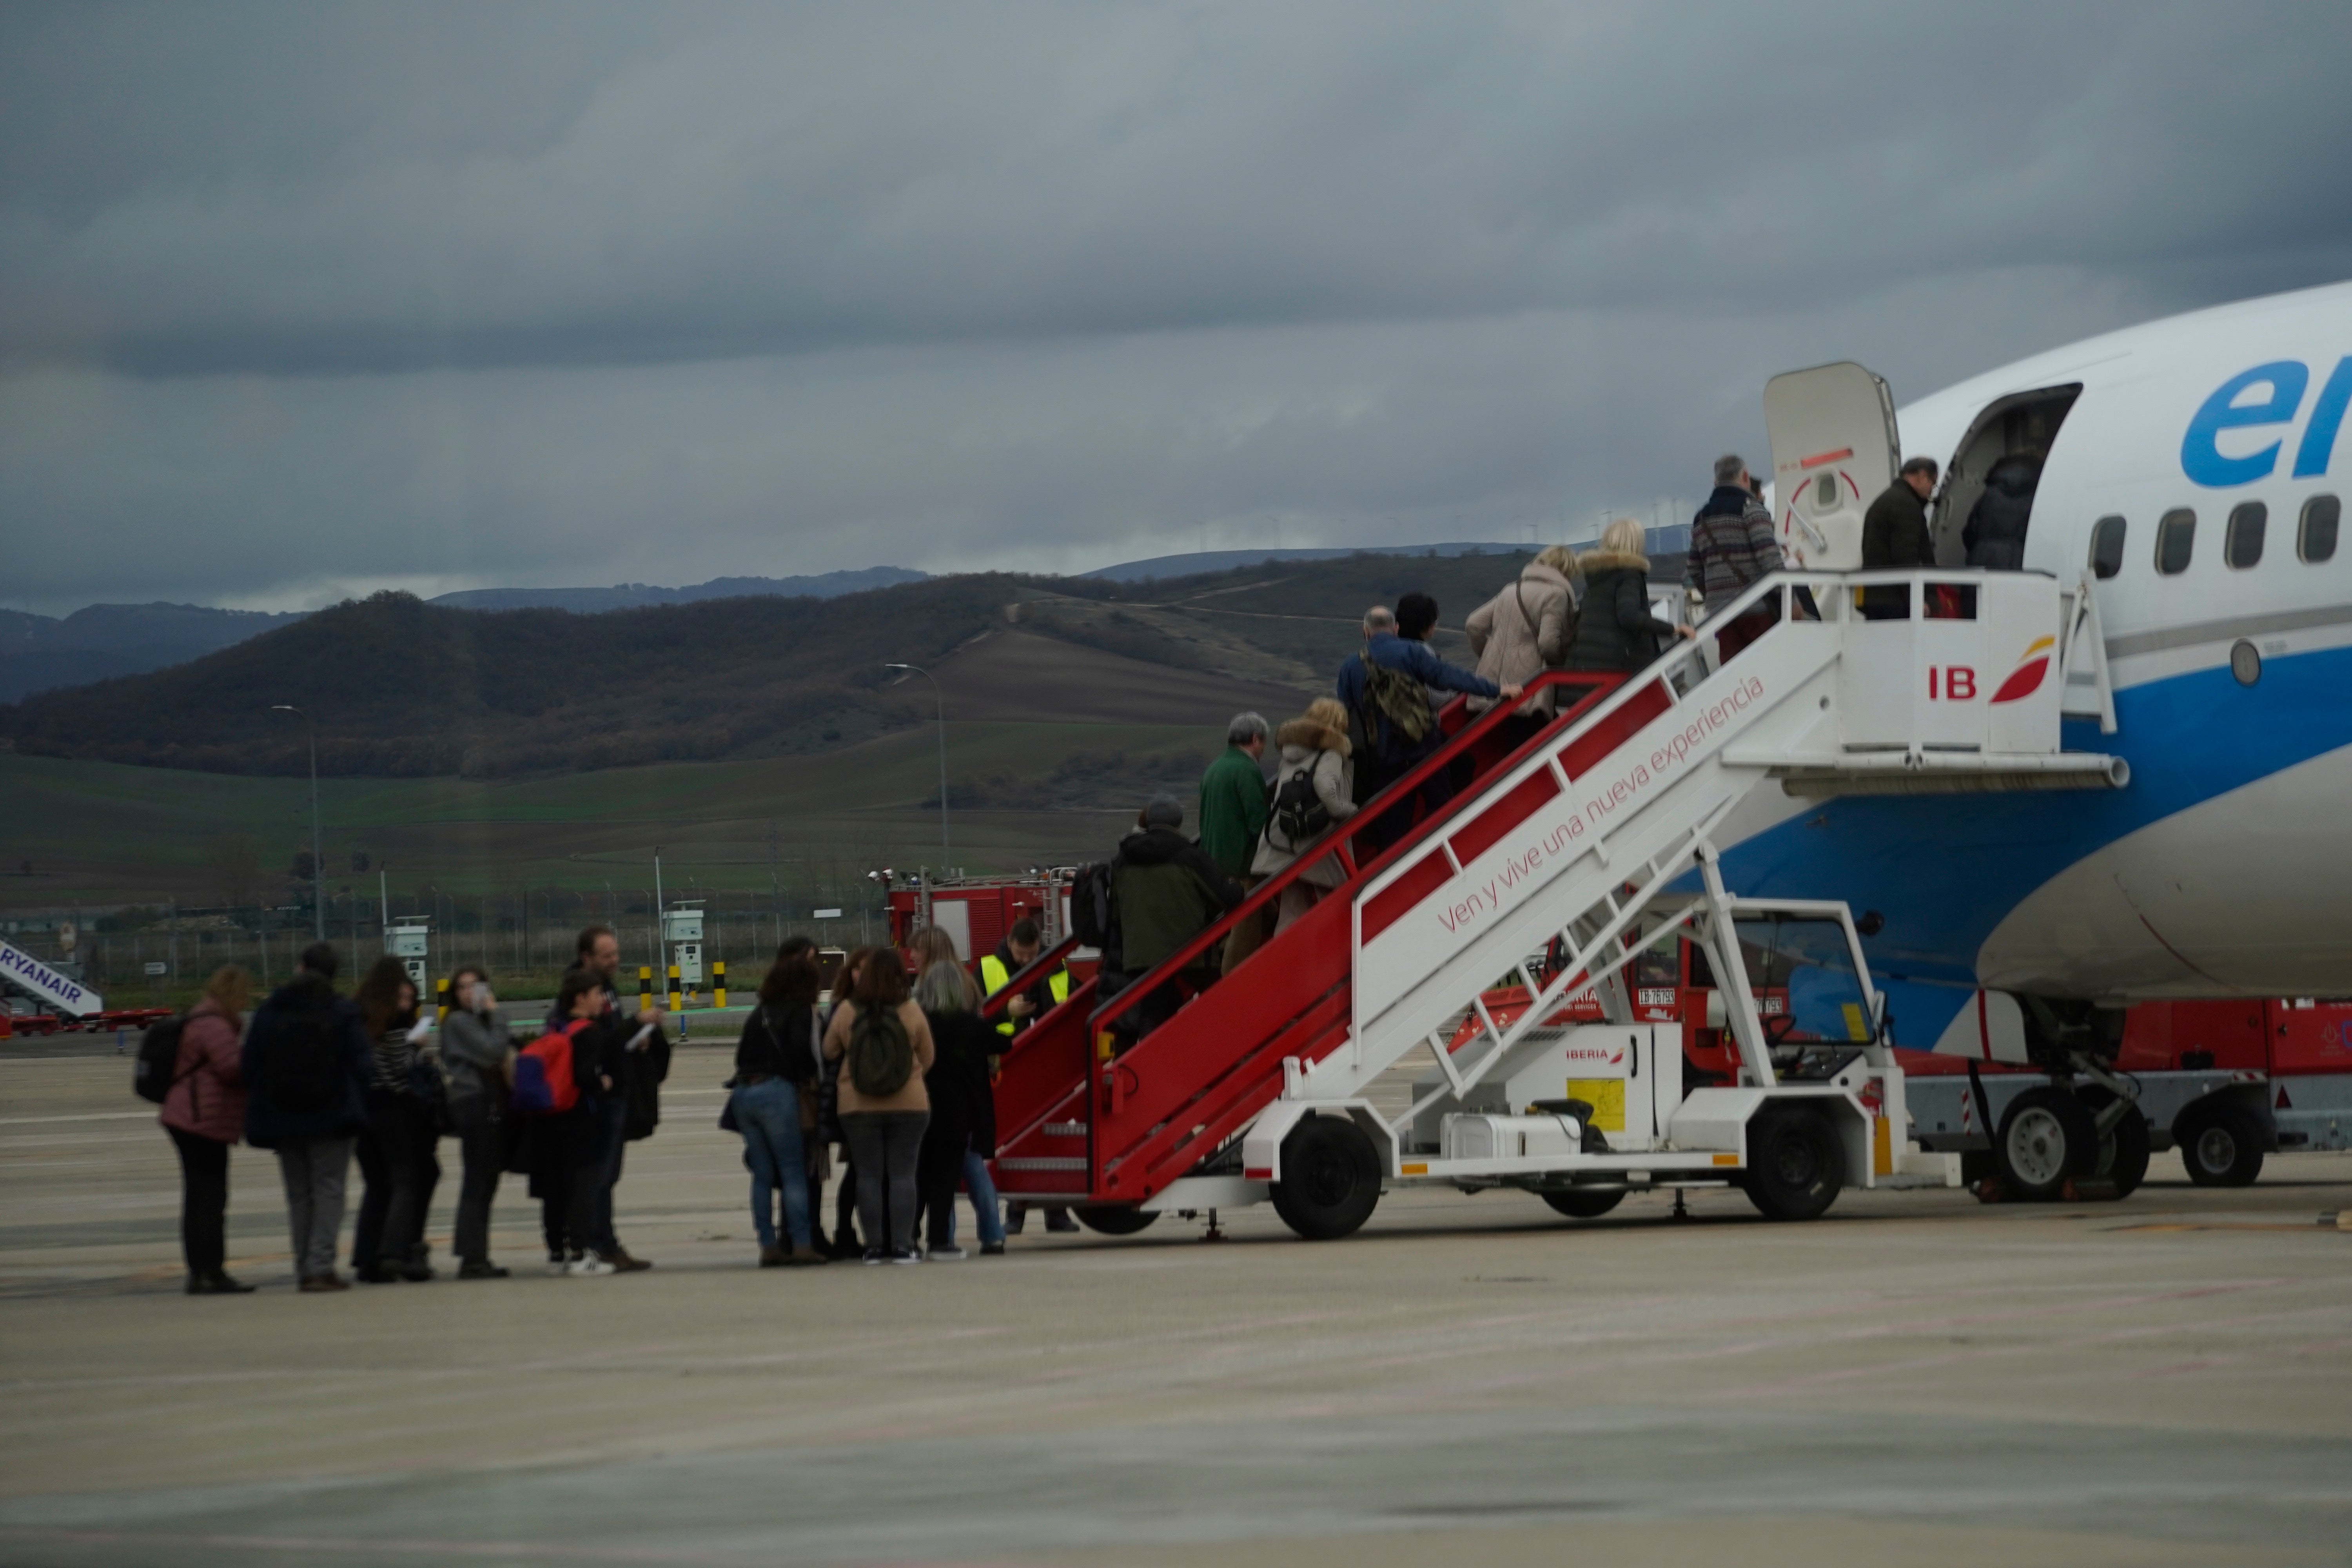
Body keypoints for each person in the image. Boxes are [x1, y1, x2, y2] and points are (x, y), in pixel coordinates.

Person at [1338, 594, 1521, 851]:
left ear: (1365, 632)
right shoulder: (1412, 652)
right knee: (1441, 804)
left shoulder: (1349, 667)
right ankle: (1433, 852)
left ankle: (1397, 875)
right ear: (1396, 629)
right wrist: (1496, 690)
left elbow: (1346, 715)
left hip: (1383, 758)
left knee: (1394, 828)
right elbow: (1449, 678)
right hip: (1423, 745)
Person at [241, 942, 371, 1293]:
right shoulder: (341, 1011)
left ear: (300, 968)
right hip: (332, 1115)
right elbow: (364, 1065)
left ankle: (304, 1266)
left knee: (299, 1195)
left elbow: (249, 1062)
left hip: (283, 1117)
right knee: (329, 1190)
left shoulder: (272, 1009)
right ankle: (320, 1267)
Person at [822, 946, 936, 1264]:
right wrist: (907, 1078)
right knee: (903, 1175)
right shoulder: (911, 1009)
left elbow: (829, 1051)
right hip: (910, 1106)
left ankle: (874, 1247)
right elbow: (928, 1056)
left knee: (868, 1176)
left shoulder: (847, 1010)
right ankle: (903, 1245)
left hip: (858, 1107)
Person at [1105, 795, 1244, 1041]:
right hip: (1190, 951)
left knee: (1153, 1010)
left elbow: (1115, 912)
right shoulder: (1190, 857)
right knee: (1218, 1000)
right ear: (1178, 823)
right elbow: (1226, 896)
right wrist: (1238, 885)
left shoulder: (1123, 860)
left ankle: (1150, 1064)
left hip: (1140, 955)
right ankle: (1227, 1046)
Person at [570, 925, 668, 1272]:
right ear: (587, 958)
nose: (615, 960)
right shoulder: (578, 991)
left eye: (616, 954)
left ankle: (606, 1243)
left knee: (608, 1177)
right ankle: (594, 1245)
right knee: (597, 1176)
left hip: (616, 1094)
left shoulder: (606, 989)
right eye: (607, 955)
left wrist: (640, 1036)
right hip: (597, 1097)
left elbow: (612, 1036)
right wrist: (634, 1025)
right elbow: (597, 1040)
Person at [159, 964, 254, 1295]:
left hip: (189, 1116)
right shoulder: (214, 1024)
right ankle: (210, 1272)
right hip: (201, 1120)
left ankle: (201, 1272)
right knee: (210, 1199)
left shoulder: (202, 1017)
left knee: (199, 1197)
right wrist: (256, 1060)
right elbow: (230, 1067)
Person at [730, 945, 828, 1267]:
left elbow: (740, 1056)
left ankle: (768, 1245)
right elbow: (803, 1053)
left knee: (762, 1174)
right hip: (777, 1092)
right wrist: (806, 1077)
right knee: (793, 1172)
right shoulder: (800, 1011)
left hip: (745, 1093)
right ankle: (802, 1244)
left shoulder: (760, 1012)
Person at [981, 919, 1077, 1238]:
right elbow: (974, 1015)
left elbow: (1072, 1002)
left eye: (1032, 953)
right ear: (1010, 943)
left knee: (1055, 1141)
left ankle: (1057, 1213)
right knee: (1017, 1143)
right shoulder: (988, 968)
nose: (1026, 960)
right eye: (1022, 954)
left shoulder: (1056, 964)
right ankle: (1016, 1214)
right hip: (1012, 1064)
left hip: (1052, 1063)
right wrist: (1007, 1011)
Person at [350, 958, 441, 1283]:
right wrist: (416, 1047)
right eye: (403, 997)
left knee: (377, 1185)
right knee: (407, 1180)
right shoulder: (395, 1022)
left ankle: (366, 1258)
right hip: (393, 1112)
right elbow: (398, 1071)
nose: (407, 1003)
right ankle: (393, 1251)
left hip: (364, 1112)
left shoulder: (360, 1017)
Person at [912, 944, 1005, 1259]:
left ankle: (918, 1236)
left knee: (923, 1174)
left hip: (923, 1106)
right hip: (963, 1109)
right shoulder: (971, 1025)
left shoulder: (921, 1022)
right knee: (967, 1171)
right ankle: (990, 1236)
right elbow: (1003, 1041)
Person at [1250, 698, 1359, 934]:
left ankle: (1284, 959)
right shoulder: (1331, 753)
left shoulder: (1291, 754)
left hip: (1285, 838)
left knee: (1292, 910)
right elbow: (1324, 785)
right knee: (1336, 902)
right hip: (1317, 841)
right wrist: (1347, 810)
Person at [438, 964, 514, 1279]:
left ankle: (476, 1254)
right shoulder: (458, 1021)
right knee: (478, 1182)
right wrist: (496, 1014)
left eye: (476, 986)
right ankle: (472, 1257)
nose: (470, 993)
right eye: (462, 988)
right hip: (472, 1105)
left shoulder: (476, 1022)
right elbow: (493, 1050)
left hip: (488, 1104)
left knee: (486, 1181)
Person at [1466, 546, 1580, 741]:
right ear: (1567, 569)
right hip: (1529, 685)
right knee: (1531, 741)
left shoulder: (1511, 590)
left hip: (1495, 684)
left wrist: (1489, 655)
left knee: (1508, 742)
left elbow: (1473, 625)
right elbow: (1548, 644)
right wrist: (1562, 663)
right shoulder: (1557, 594)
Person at [1198, 712, 1271, 975]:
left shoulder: (1214, 769)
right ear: (1255, 739)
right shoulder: (1247, 770)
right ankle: (1231, 983)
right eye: (1263, 743)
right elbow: (1258, 822)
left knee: (1227, 929)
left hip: (1214, 865)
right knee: (1245, 934)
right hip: (1243, 867)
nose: (1263, 750)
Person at [1570, 518, 1691, 672]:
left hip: (1591, 664)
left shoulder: (1596, 576)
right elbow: (1629, 615)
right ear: (1635, 543)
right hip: (1621, 665)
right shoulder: (1629, 574)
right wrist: (1672, 628)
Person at [821, 945, 875, 1258]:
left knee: (862, 1170)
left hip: (870, 1097)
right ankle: (846, 1231)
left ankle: (856, 1232)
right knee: (859, 1169)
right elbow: (830, 1051)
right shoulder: (843, 1006)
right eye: (857, 969)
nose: (860, 975)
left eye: (866, 970)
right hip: (853, 1098)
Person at [1861, 456, 1941, 618]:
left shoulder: (1883, 501)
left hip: (1876, 597)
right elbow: (1906, 556)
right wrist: (1918, 600)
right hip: (1896, 603)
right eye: (1932, 484)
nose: (1931, 492)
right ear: (1922, 476)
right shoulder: (1907, 506)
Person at [1965, 450, 2042, 570]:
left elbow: (1969, 532)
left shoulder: (1989, 496)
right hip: (2021, 561)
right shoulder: (2037, 499)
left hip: (1983, 560)